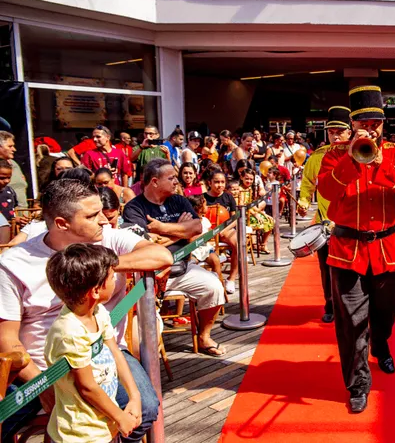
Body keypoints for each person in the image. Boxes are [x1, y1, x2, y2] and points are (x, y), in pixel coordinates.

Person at [0, 179, 169, 442]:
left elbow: (161, 256)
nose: (104, 219)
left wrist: (99, 267)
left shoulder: (108, 237)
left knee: (145, 409)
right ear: (61, 223)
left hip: (104, 351)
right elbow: (7, 339)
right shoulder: (14, 263)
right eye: (92, 215)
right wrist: (42, 385)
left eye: (102, 210)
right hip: (41, 366)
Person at [317, 85, 395, 413]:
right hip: (346, 248)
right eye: (363, 123)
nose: (370, 128)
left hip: (387, 246)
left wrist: (379, 166)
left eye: (375, 122)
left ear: (383, 123)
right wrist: (351, 158)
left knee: (386, 312)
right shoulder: (334, 154)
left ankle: (382, 342)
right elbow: (328, 191)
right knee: (350, 320)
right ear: (353, 124)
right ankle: (358, 382)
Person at [122, 159, 227, 357]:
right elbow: (145, 244)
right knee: (145, 324)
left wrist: (162, 229)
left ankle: (204, 337)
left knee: (214, 288)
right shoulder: (134, 208)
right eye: (170, 178)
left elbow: (196, 228)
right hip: (151, 276)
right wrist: (181, 231)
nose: (176, 182)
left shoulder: (178, 200)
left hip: (183, 267)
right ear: (154, 182)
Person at [44, 244, 141, 442]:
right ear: (95, 290)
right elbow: (87, 386)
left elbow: (115, 352)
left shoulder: (98, 312)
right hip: (80, 433)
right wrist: (120, 416)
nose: (115, 281)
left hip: (104, 424)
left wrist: (134, 395)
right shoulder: (69, 332)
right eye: (112, 277)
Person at [298, 106, 351, 322]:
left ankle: (349, 307)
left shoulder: (359, 152)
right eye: (331, 131)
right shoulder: (317, 157)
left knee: (350, 270)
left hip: (352, 224)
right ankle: (330, 305)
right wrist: (303, 201)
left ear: (350, 131)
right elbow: (307, 184)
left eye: (340, 130)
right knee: (327, 270)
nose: (335, 135)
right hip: (325, 224)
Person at [203, 170, 240, 294]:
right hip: (208, 233)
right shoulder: (203, 198)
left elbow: (234, 218)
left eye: (222, 182)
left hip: (225, 230)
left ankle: (231, 278)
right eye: (217, 182)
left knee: (238, 245)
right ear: (210, 183)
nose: (220, 185)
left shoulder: (228, 196)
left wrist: (225, 229)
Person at [0, 130, 28, 207]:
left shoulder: (13, 164)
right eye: (10, 146)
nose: (14, 149)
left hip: (22, 213)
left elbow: (21, 186)